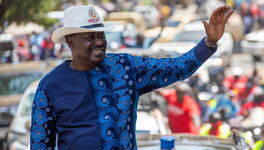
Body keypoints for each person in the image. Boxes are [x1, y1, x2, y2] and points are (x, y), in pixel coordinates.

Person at [30, 5, 233, 150]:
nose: (99, 41)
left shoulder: (125, 68)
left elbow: (176, 68)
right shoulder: (50, 86)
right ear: (71, 41)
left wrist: (209, 42)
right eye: (90, 37)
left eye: (101, 35)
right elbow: (40, 144)